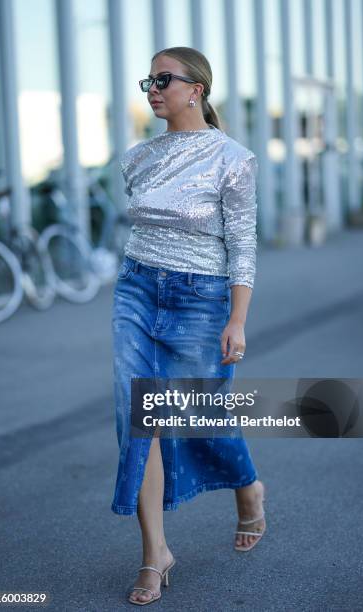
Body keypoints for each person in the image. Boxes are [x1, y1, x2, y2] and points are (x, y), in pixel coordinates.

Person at [111, 46, 266, 606]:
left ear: (195, 88)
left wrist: (238, 319)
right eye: (147, 80)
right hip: (135, 290)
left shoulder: (233, 159)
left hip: (200, 300)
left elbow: (242, 245)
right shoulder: (139, 157)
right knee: (139, 418)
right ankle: (155, 554)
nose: (151, 88)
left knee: (200, 412)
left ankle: (248, 487)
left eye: (163, 79)